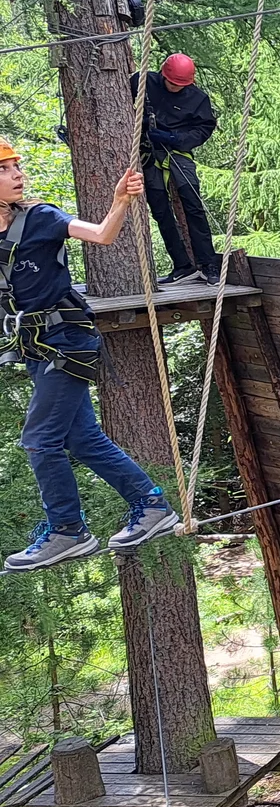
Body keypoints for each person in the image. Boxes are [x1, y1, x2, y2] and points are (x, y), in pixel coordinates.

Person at [0, 139, 182, 572]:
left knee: (40, 438)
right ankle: (152, 504)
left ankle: (67, 530)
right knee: (81, 438)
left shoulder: (40, 219)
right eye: (6, 169)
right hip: (36, 347)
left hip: (67, 342)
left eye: (17, 166)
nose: (18, 174)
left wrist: (120, 202)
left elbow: (101, 234)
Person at [132, 53, 220, 284]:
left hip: (177, 150)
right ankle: (182, 264)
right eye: (172, 83)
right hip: (148, 152)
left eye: (180, 85)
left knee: (192, 202)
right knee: (160, 208)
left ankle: (209, 263)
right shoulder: (142, 82)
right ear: (163, 74)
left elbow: (203, 128)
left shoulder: (197, 99)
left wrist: (174, 138)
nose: (175, 88)